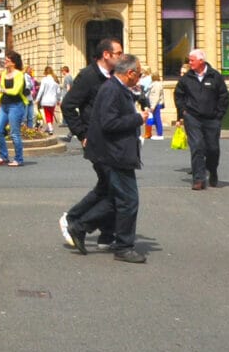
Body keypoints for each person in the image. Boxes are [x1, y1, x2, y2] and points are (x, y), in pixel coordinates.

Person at [71, 56, 148, 263]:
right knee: (128, 200)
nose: (139, 78)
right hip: (114, 154)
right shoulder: (112, 89)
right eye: (138, 73)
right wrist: (137, 118)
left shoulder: (117, 89)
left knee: (116, 199)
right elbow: (109, 123)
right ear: (130, 73)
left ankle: (80, 225)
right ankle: (123, 246)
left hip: (117, 153)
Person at [59, 37, 124, 250]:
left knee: (107, 187)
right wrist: (81, 133)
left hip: (113, 141)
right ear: (106, 55)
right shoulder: (88, 76)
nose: (122, 57)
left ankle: (106, 233)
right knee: (113, 187)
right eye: (118, 53)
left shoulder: (115, 76)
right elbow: (68, 105)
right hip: (95, 141)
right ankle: (75, 220)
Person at [173, 49, 229, 191]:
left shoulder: (215, 76)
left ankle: (212, 170)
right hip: (193, 118)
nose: (189, 62)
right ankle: (198, 178)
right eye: (189, 60)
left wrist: (219, 114)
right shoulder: (186, 78)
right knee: (197, 146)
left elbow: (224, 97)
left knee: (213, 149)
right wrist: (183, 112)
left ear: (201, 61)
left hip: (212, 119)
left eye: (192, 60)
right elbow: (178, 95)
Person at [0, 50, 32, 167]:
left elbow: (16, 91)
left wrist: (5, 90)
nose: (5, 62)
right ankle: (3, 156)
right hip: (4, 106)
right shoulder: (4, 74)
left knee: (15, 134)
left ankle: (18, 159)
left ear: (13, 63)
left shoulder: (19, 74)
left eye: (8, 60)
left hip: (16, 106)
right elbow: (0, 90)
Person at [36, 66, 62, 130]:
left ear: (45, 72)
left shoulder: (44, 80)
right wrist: (59, 100)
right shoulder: (55, 79)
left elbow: (41, 90)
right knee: (51, 113)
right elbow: (58, 92)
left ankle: (50, 127)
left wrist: (37, 99)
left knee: (47, 114)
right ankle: (49, 127)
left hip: (46, 100)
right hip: (53, 100)